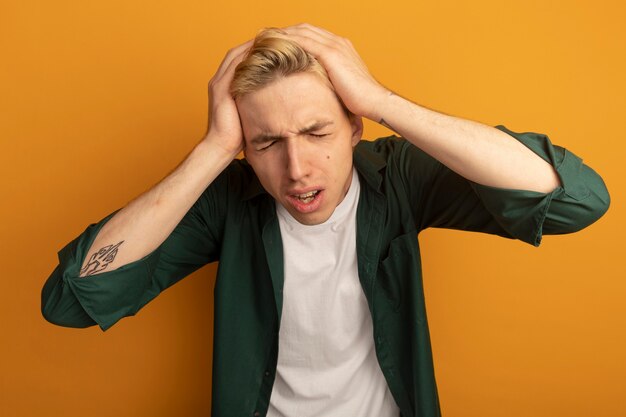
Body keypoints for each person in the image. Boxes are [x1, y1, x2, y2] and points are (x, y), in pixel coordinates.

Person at [41, 23, 610, 417]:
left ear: (355, 126)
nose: (296, 169)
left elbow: (575, 200)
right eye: (266, 143)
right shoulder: (230, 201)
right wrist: (214, 149)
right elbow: (73, 300)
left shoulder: (397, 178)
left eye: (317, 133)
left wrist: (381, 99)